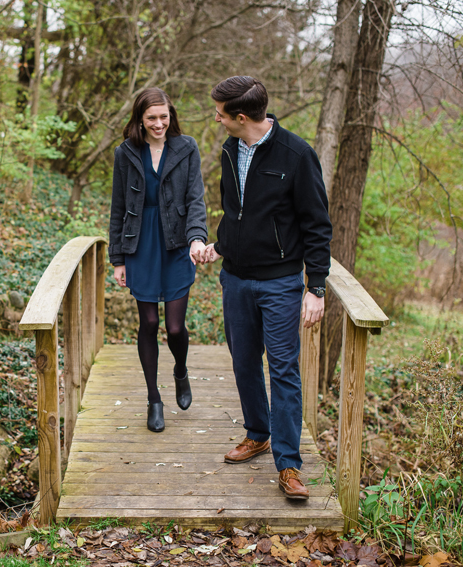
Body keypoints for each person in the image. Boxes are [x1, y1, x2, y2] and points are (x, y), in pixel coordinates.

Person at [199, 76, 332, 500]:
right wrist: (220, 247)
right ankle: (258, 433)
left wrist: (317, 287)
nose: (215, 118)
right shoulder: (228, 148)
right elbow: (237, 211)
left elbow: (316, 224)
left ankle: (289, 466)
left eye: (220, 113)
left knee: (284, 371)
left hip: (280, 283)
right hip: (235, 278)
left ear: (241, 117)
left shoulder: (297, 154)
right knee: (242, 363)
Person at [109, 87, 208, 433]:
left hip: (177, 242)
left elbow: (196, 198)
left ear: (171, 116)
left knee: (175, 327)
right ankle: (154, 399)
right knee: (149, 323)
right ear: (140, 118)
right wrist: (117, 258)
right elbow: (118, 207)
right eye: (151, 117)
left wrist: (197, 238)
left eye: (163, 116)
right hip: (141, 244)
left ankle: (180, 370)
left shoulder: (187, 147)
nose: (158, 123)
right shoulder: (126, 153)